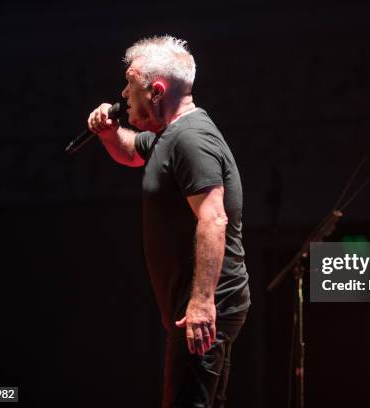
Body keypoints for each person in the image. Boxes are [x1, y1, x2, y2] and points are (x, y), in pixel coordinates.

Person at [87, 35, 250, 408]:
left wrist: (202, 303)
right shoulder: (168, 137)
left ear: (156, 90)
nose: (124, 94)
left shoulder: (191, 139)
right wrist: (109, 133)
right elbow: (131, 153)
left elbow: (213, 218)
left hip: (205, 308)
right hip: (195, 306)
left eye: (130, 84)